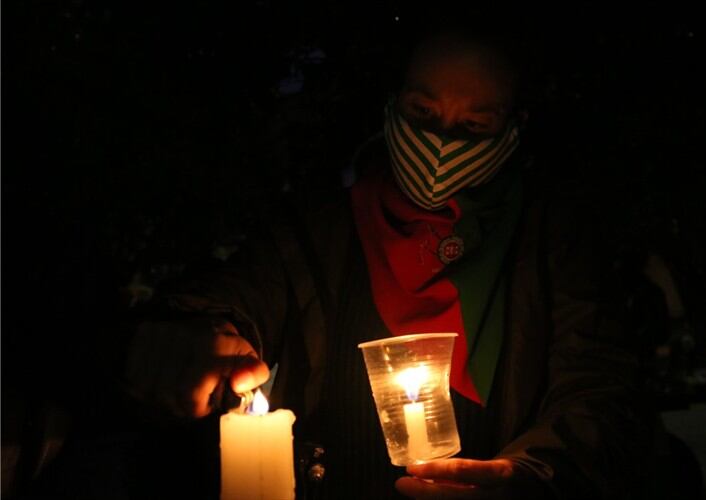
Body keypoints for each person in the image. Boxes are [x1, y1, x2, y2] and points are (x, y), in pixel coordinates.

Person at [125, 22, 671, 499]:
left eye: (473, 125)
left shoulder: (551, 244)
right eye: (423, 111)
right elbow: (236, 295)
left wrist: (530, 479)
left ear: (512, 129)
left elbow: (601, 392)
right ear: (393, 105)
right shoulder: (320, 229)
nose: (441, 143)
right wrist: (201, 332)